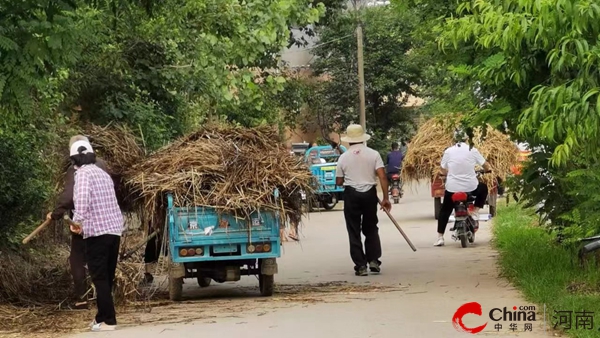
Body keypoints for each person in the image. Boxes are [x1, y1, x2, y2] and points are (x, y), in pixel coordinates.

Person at [46, 135, 112, 310]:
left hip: (86, 224)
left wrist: (56, 213)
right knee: (101, 258)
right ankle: (105, 296)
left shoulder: (76, 170)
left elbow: (70, 197)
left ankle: (82, 298)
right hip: (108, 222)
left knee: (77, 258)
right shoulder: (102, 165)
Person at [70, 140, 124, 331]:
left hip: (97, 233)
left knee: (99, 277)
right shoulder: (103, 174)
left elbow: (82, 201)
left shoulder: (83, 174)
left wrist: (77, 222)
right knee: (106, 277)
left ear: (75, 158)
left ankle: (109, 320)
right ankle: (101, 317)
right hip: (114, 230)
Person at [334, 124, 391, 276]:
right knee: (371, 227)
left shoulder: (343, 157)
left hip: (351, 194)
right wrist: (386, 198)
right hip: (369, 194)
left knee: (354, 230)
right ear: (363, 138)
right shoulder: (373, 154)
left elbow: (339, 182)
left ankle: (360, 266)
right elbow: (382, 176)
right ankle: (373, 260)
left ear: (349, 140)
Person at [434, 129, 492, 247]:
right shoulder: (473, 150)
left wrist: (446, 173)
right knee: (483, 188)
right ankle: (475, 211)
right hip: (470, 186)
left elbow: (442, 169)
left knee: (445, 210)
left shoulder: (448, 151)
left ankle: (440, 237)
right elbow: (486, 165)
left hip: (452, 188)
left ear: (454, 139)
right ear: (467, 138)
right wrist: (487, 170)